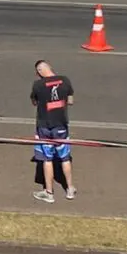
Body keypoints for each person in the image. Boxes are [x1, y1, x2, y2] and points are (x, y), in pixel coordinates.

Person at [30, 60, 75, 203]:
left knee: (47, 159)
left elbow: (34, 102)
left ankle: (49, 193)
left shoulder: (38, 85)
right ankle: (70, 189)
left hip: (44, 126)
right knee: (65, 157)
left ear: (39, 72)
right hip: (61, 124)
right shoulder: (65, 80)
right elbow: (71, 101)